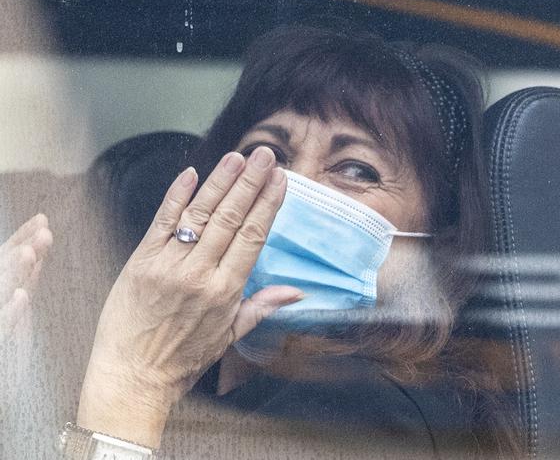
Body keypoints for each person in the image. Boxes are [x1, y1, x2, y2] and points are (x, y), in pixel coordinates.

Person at [65, 23, 521, 459]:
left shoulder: (367, 413)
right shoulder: (206, 388)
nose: (286, 186)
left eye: (356, 169)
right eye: (268, 154)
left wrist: (136, 381)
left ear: (435, 245)